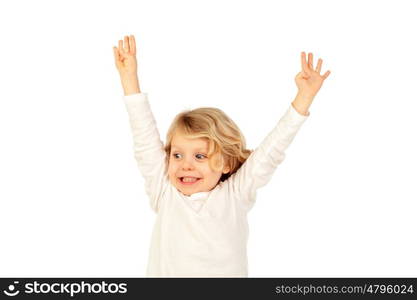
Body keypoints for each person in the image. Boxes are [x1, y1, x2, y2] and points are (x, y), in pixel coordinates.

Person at [113, 34, 331, 277]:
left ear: (226, 163)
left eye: (199, 157)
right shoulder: (164, 191)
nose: (186, 165)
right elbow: (144, 137)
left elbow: (273, 149)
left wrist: (304, 97)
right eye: (177, 155)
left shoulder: (236, 194)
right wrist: (129, 80)